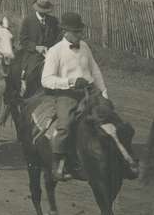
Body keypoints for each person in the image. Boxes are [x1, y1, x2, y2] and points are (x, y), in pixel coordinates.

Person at [40, 12, 109, 181]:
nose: (80, 35)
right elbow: (46, 80)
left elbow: (95, 71)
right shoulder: (55, 51)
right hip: (67, 95)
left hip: (90, 90)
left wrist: (104, 92)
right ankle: (58, 164)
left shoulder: (84, 47)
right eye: (76, 32)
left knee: (109, 116)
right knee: (66, 124)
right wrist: (70, 81)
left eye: (80, 31)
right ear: (66, 32)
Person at [16, 0, 61, 98]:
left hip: (51, 53)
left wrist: (52, 50)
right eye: (42, 11)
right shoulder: (28, 20)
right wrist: (36, 47)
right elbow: (23, 40)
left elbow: (58, 38)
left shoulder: (53, 21)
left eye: (46, 11)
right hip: (32, 54)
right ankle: (27, 95)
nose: (44, 13)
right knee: (31, 74)